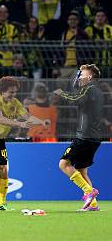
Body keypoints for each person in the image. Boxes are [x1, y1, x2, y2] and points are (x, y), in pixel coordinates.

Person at [0, 77, 49, 210]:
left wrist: (41, 122)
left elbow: (27, 116)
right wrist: (20, 124)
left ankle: (1, 203)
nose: (13, 95)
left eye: (15, 92)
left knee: (3, 170)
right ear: (2, 91)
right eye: (11, 92)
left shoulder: (15, 102)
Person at [54, 64, 104, 211]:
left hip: (84, 137)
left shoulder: (89, 89)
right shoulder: (98, 91)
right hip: (94, 138)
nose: (78, 77)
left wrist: (60, 93)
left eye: (81, 74)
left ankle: (89, 192)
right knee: (82, 171)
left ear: (89, 77)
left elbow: (75, 99)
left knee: (63, 164)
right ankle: (93, 204)